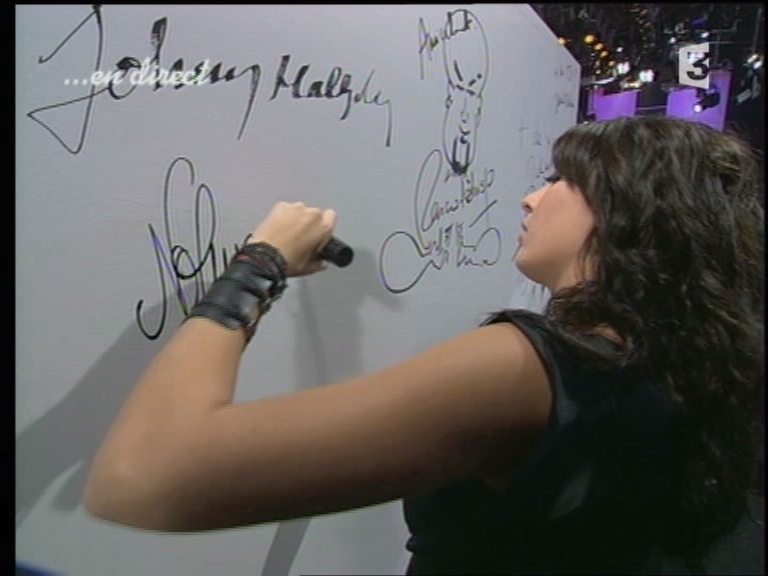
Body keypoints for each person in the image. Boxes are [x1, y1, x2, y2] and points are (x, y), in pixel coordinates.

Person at [82, 116, 764, 575]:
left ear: (627, 209)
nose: (532, 198)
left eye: (563, 180)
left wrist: (258, 265)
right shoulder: (683, 364)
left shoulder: (529, 369)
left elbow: (146, 477)